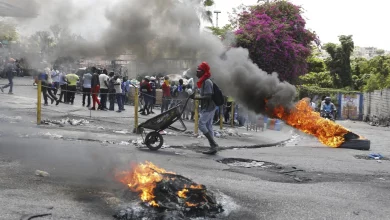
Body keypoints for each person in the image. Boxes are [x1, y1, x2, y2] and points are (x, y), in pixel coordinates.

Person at [189, 62, 218, 155]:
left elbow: (208, 96)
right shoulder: (204, 81)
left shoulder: (207, 82)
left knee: (201, 124)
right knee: (209, 126)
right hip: (208, 106)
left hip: (209, 107)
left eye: (198, 71)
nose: (196, 73)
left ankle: (213, 144)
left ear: (203, 72)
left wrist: (196, 98)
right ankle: (213, 146)